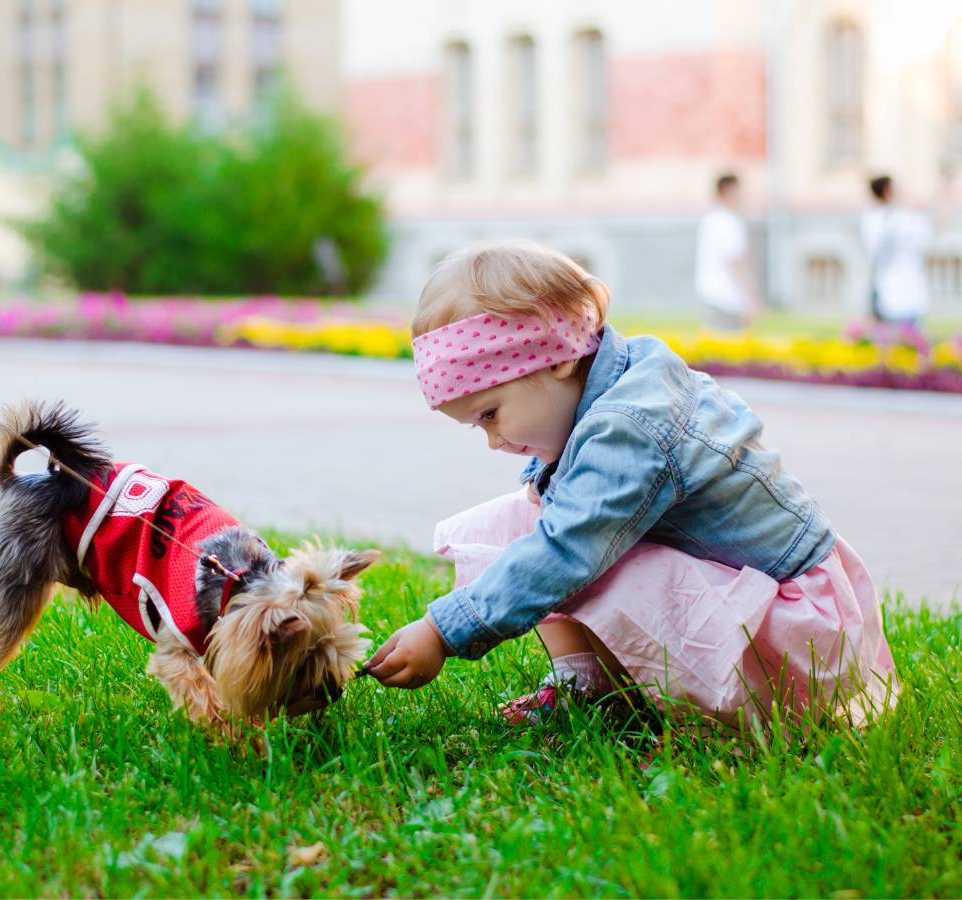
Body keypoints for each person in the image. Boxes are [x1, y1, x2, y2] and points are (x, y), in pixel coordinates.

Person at [364, 240, 897, 727]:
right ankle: (588, 686)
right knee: (531, 518)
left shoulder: (632, 426)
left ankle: (710, 726)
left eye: (490, 414)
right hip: (758, 609)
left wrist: (444, 631)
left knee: (565, 549)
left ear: (558, 356)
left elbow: (565, 553)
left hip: (797, 634)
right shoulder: (618, 373)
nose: (493, 441)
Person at [860, 175, 932, 327]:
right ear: (887, 191)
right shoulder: (884, 218)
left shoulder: (894, 215)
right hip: (892, 287)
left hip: (906, 286)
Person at [694, 173, 756, 331]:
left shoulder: (710, 219)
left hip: (710, 294)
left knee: (712, 342)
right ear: (728, 191)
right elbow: (735, 262)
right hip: (727, 298)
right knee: (730, 342)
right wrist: (749, 298)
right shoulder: (729, 222)